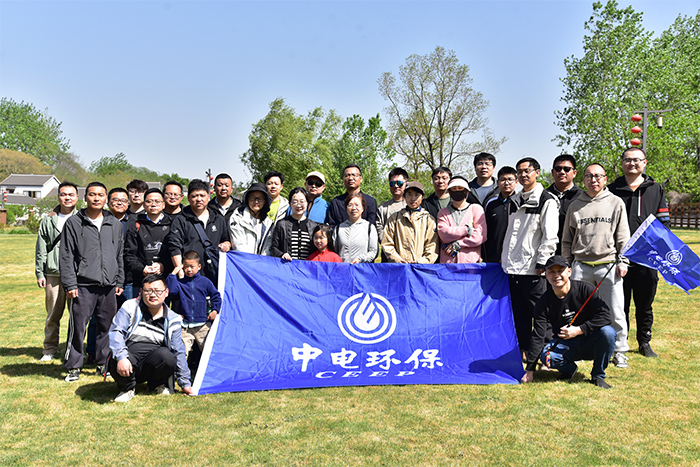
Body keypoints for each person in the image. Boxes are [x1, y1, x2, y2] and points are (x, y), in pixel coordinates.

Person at [563, 163, 630, 367]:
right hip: (580, 265)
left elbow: (623, 236)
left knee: (615, 310)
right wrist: (567, 265)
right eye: (589, 176)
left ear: (605, 179)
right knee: (578, 310)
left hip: (608, 265)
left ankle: (619, 350)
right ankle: (579, 347)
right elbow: (567, 239)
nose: (594, 180)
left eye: (598, 176)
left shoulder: (615, 202)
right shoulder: (575, 205)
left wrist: (623, 261)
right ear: (583, 179)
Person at [608, 147, 670, 358]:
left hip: (646, 257)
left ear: (644, 162)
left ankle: (644, 341)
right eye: (627, 160)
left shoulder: (655, 188)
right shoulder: (612, 189)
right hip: (618, 256)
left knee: (645, 304)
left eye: (636, 160)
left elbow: (664, 223)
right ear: (622, 163)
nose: (632, 163)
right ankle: (620, 343)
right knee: (619, 304)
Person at [60, 182, 124, 382]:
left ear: (106, 199)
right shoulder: (74, 223)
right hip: (83, 285)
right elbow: (66, 256)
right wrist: (70, 284)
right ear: (85, 197)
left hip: (108, 285)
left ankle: (102, 364)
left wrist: (119, 280)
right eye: (92, 194)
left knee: (107, 327)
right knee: (78, 327)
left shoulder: (114, 223)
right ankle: (73, 366)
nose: (96, 198)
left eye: (100, 195)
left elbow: (119, 254)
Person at [521, 256, 616, 389]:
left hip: (591, 342)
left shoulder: (586, 289)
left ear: (569, 272)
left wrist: (579, 330)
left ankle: (598, 375)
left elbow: (606, 316)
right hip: (566, 345)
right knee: (546, 355)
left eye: (560, 271)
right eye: (552, 272)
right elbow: (538, 336)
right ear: (546, 275)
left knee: (608, 332)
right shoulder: (542, 303)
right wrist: (529, 370)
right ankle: (569, 369)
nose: (556, 275)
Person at [501, 157, 560, 358]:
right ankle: (523, 350)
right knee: (519, 314)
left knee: (541, 314)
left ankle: (547, 353)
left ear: (537, 172)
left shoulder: (547, 200)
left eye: (527, 170)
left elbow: (550, 236)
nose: (523, 175)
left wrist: (542, 261)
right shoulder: (515, 199)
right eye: (520, 171)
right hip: (513, 267)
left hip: (534, 268)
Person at [108, 275, 193, 402]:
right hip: (128, 358)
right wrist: (121, 356)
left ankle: (155, 385)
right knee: (117, 358)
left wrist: (185, 383)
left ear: (166, 292)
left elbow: (178, 351)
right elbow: (116, 331)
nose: (153, 295)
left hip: (152, 362)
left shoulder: (173, 319)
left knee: (168, 357)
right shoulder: (130, 306)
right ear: (141, 292)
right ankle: (127, 389)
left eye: (158, 291)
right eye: (148, 291)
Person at [35, 181, 78, 362]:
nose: (67, 198)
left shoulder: (82, 218)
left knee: (76, 316)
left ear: (77, 197)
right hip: (53, 273)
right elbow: (41, 248)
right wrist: (40, 273)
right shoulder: (48, 220)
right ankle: (50, 349)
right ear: (58, 196)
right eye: (63, 194)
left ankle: (73, 350)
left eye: (71, 194)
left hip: (76, 274)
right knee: (53, 314)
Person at [168, 179, 231, 284]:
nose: (199, 199)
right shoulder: (180, 220)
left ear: (208, 197)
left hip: (214, 274)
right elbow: (174, 247)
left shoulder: (218, 218)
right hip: (189, 275)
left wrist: (226, 245)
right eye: (194, 196)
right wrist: (180, 270)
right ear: (188, 198)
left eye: (202, 195)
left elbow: (226, 239)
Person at [167, 251, 221, 359]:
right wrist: (173, 273)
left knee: (209, 353)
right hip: (184, 326)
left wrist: (215, 311)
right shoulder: (180, 283)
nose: (189, 269)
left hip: (203, 325)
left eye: (192, 266)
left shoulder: (205, 282)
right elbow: (171, 291)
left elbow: (216, 297)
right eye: (186, 266)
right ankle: (182, 371)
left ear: (199, 266)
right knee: (181, 354)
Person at [124, 188, 173, 289]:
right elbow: (129, 254)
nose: (153, 204)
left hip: (167, 280)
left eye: (157, 201)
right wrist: (142, 269)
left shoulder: (172, 224)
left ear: (163, 205)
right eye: (149, 201)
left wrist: (164, 266)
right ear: (144, 204)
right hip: (140, 281)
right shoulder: (136, 225)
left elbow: (177, 251)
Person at [382, 181, 438, 264]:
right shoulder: (395, 218)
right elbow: (387, 243)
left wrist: (421, 262)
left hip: (420, 267)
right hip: (399, 266)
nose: (413, 198)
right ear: (404, 196)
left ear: (422, 197)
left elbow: (432, 246)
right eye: (409, 194)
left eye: (417, 195)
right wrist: (398, 260)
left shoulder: (428, 220)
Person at [436, 177, 487, 264]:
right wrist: (466, 230)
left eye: (460, 188)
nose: (457, 191)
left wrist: (459, 243)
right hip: (448, 262)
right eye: (454, 189)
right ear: (449, 192)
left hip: (471, 262)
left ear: (466, 191)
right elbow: (444, 234)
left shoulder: (476, 209)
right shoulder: (443, 213)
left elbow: (480, 236)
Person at [547, 154, 583, 255]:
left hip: (574, 252)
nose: (562, 172)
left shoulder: (582, 197)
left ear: (574, 173)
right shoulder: (544, 196)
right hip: (547, 252)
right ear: (553, 172)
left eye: (567, 169)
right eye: (558, 169)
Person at [271, 187, 317, 260]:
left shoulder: (313, 226)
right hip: (287, 265)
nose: (298, 205)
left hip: (307, 266)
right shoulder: (282, 224)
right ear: (290, 204)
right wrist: (282, 254)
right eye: (295, 202)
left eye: (302, 201)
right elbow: (273, 248)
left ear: (307, 203)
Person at [483, 167, 518, 263]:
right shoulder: (491, 204)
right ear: (497, 183)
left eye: (510, 179)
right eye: (503, 180)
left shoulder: (520, 203)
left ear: (516, 182)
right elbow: (485, 230)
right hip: (493, 256)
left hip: (514, 257)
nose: (506, 183)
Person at [229, 182, 274, 255]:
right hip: (243, 259)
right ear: (247, 199)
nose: (256, 202)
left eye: (260, 199)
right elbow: (238, 245)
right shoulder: (237, 217)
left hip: (261, 260)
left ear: (265, 201)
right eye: (252, 198)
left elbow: (267, 248)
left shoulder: (268, 222)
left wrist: (261, 259)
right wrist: (251, 260)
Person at [334, 193, 378, 263]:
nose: (354, 208)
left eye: (357, 205)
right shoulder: (339, 228)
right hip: (343, 268)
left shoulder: (369, 228)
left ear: (363, 208)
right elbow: (334, 252)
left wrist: (360, 259)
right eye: (350, 205)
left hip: (361, 268)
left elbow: (373, 251)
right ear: (346, 208)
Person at [108, 187, 134, 304]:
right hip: (105, 278)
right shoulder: (100, 222)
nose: (119, 203)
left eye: (123, 200)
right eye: (115, 200)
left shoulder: (134, 223)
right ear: (108, 202)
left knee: (127, 311)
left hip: (128, 278)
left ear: (128, 204)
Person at [376, 167, 408, 247]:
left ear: (406, 184)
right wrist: (387, 244)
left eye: (399, 183)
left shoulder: (412, 205)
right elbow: (379, 228)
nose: (396, 186)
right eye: (392, 183)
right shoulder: (382, 208)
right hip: (388, 249)